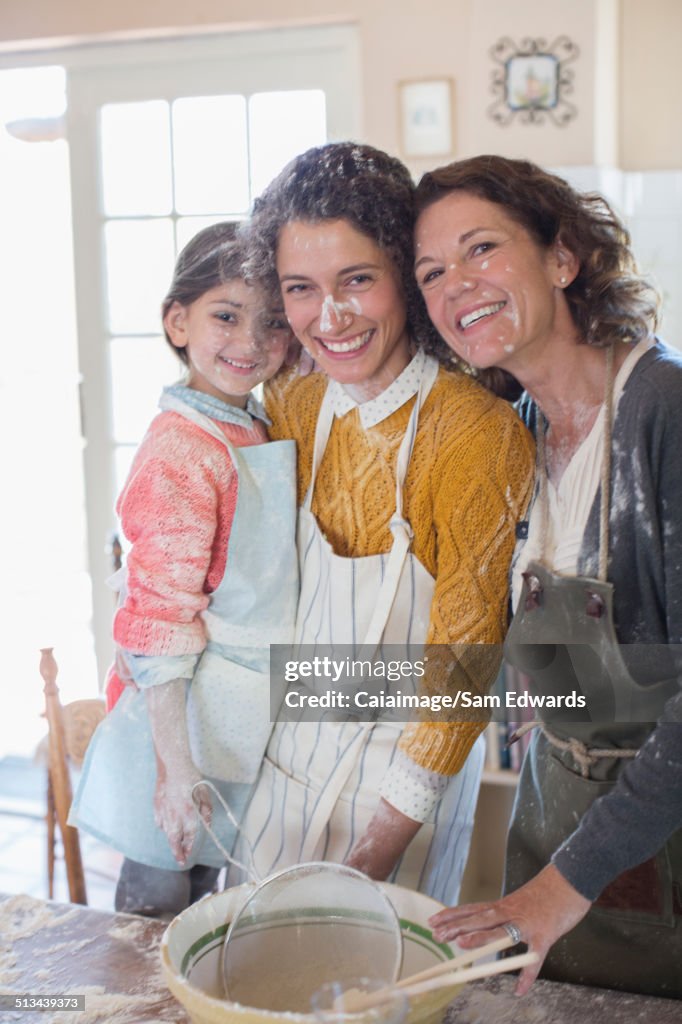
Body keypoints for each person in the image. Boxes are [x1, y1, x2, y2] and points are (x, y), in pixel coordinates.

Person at [227, 143, 534, 903]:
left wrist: (374, 850)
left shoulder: (475, 434)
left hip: (405, 792)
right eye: (301, 289)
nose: (328, 317)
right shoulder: (293, 404)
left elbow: (463, 665)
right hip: (283, 766)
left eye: (356, 280)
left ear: (405, 272)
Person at [413, 154, 682, 998]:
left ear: (564, 259)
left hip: (652, 849)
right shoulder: (513, 435)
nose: (456, 284)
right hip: (551, 827)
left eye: (482, 249)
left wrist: (562, 885)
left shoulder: (663, 414)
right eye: (430, 272)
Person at [69, 222, 298, 917]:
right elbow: (159, 621)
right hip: (178, 729)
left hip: (234, 719)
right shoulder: (180, 449)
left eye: (273, 324)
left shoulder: (252, 423)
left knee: (205, 910)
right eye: (225, 316)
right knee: (154, 914)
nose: (250, 343)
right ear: (177, 321)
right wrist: (174, 771)